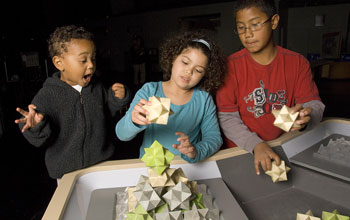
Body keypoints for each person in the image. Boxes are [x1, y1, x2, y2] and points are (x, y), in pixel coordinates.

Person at [216, 0, 325, 175]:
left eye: (255, 25)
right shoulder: (230, 66)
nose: (248, 34)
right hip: (242, 150)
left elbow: (315, 105)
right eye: (241, 28)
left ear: (274, 22)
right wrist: (256, 145)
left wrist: (306, 117)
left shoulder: (296, 63)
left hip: (284, 147)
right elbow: (226, 117)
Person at [14, 25, 131, 179]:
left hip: (102, 163)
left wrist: (118, 99)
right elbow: (39, 138)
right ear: (59, 63)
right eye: (83, 60)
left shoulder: (97, 87)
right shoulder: (47, 95)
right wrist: (36, 127)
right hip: (67, 173)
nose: (91, 65)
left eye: (93, 58)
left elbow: (108, 112)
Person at [116, 30, 226, 163]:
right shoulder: (150, 91)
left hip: (187, 166)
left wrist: (196, 150)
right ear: (173, 58)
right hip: (151, 165)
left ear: (205, 75)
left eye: (198, 70)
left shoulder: (204, 99)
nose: (189, 71)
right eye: (185, 62)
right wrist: (133, 121)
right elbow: (121, 134)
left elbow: (214, 138)